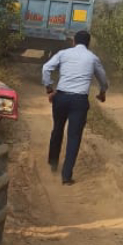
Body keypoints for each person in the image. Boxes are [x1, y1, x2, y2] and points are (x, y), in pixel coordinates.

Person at [42, 30, 109, 185]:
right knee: (74, 137)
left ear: (73, 41)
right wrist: (102, 93)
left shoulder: (63, 54)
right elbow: (103, 79)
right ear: (88, 43)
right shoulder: (93, 58)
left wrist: (49, 89)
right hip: (79, 101)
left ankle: (52, 163)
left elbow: (46, 68)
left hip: (61, 97)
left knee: (57, 129)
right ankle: (66, 176)